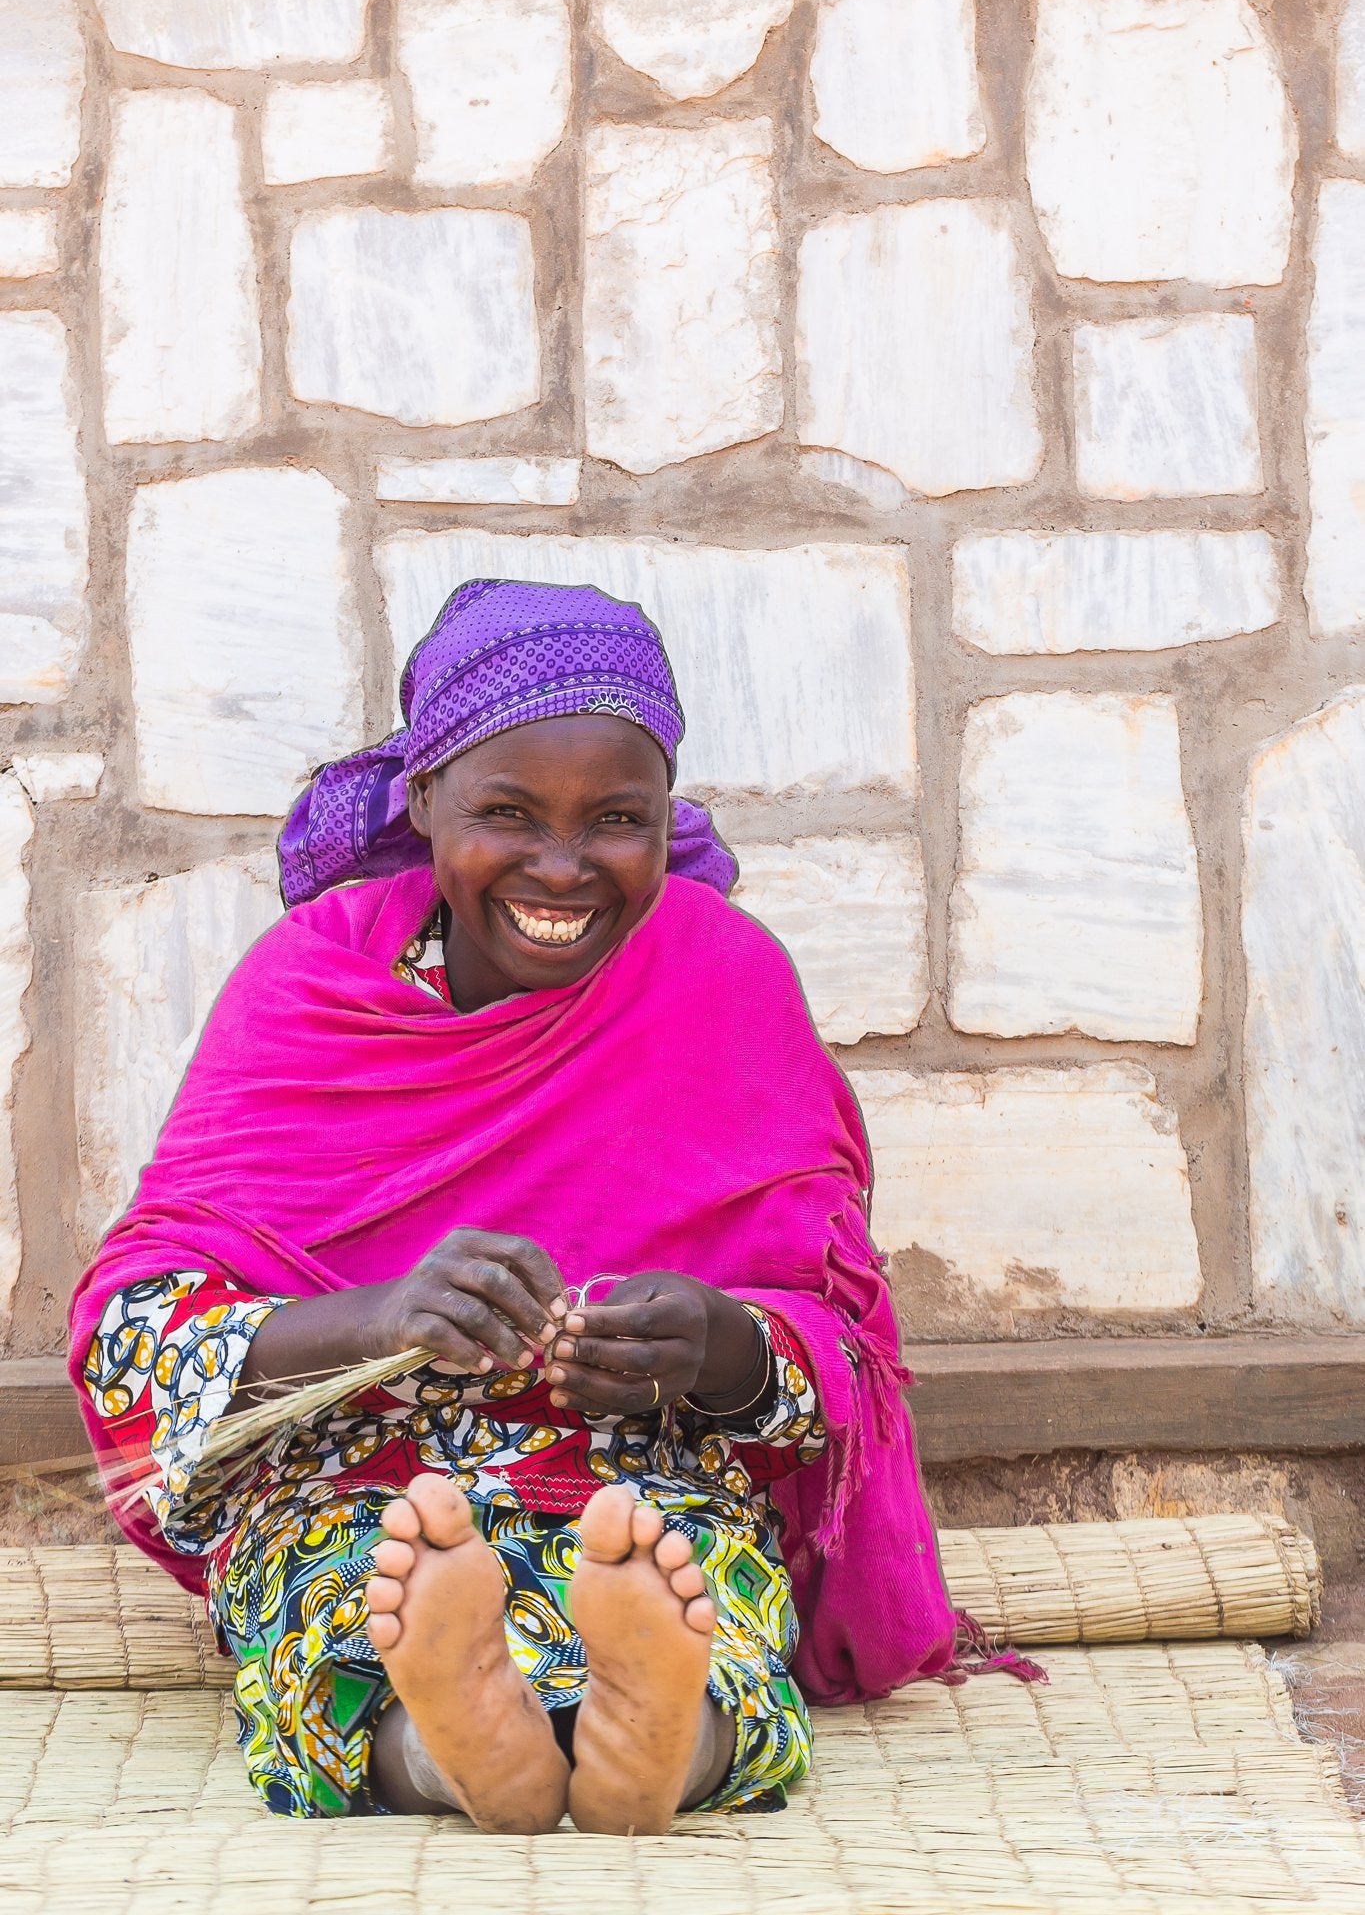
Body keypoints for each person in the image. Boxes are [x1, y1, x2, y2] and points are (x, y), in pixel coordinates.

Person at [68, 578, 985, 1836]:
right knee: (345, 1595)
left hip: (644, 1474)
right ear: (425, 797)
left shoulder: (722, 978)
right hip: (353, 1478)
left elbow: (837, 1353)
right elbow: (133, 1331)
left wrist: (715, 1345)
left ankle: (660, 1736)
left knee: (695, 1585)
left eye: (616, 819)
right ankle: (457, 1745)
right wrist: (372, 1318)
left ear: (667, 818)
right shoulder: (313, 981)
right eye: (507, 812)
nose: (561, 865)